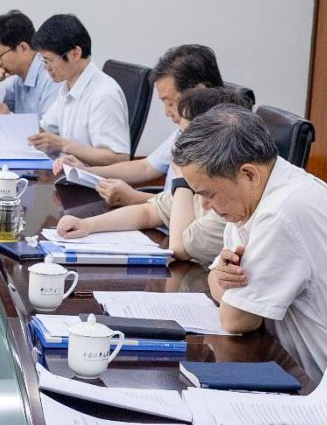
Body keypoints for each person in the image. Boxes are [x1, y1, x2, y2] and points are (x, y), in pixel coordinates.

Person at [178, 105, 327, 398]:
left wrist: (223, 286)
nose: (204, 206)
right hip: (318, 380)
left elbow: (237, 320)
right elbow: (217, 279)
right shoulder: (255, 200)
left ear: (249, 174)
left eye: (208, 194)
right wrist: (221, 282)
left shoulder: (282, 212)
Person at [53, 84, 248, 264]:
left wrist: (182, 180)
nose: (178, 144)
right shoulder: (202, 180)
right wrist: (87, 225)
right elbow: (148, 212)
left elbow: (179, 248)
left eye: (185, 136)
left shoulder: (227, 199)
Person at [56, 43, 229, 185]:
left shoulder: (220, 142)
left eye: (170, 103)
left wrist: (132, 197)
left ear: (199, 92)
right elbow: (146, 167)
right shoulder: (185, 130)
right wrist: (85, 171)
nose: (167, 112)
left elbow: (179, 208)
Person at [26, 14, 132, 164]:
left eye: (49, 60)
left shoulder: (104, 95)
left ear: (75, 54)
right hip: (66, 171)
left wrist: (64, 145)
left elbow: (118, 158)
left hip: (89, 178)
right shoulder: (68, 85)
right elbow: (45, 129)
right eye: (43, 61)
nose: (46, 67)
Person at [0, 10, 56, 116]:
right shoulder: (17, 80)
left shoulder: (51, 76)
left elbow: (50, 126)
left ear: (23, 48)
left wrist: (9, 118)